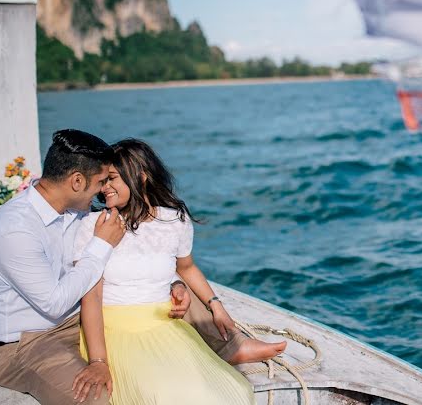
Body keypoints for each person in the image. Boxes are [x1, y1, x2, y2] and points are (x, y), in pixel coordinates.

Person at [71, 138, 286, 404]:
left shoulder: (174, 220)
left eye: (112, 178)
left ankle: (233, 348)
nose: (104, 188)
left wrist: (216, 306)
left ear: (141, 176)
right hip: (114, 331)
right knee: (165, 395)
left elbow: (186, 267)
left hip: (164, 326)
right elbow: (89, 297)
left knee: (234, 392)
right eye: (103, 180)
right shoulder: (93, 224)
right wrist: (98, 360)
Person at [0, 129, 126, 405]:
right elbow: (54, 303)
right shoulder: (15, 228)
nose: (104, 189)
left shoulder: (75, 210)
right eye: (101, 181)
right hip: (28, 344)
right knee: (96, 399)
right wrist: (101, 245)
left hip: (79, 322)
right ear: (77, 181)